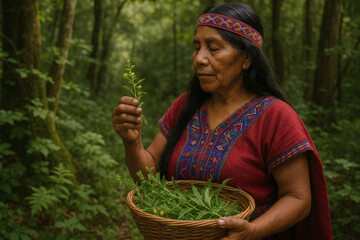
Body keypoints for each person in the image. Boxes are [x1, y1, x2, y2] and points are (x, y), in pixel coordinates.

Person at [112, 2, 332, 239]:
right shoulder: (185, 105)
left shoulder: (276, 117)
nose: (199, 58)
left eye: (213, 48)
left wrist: (253, 230)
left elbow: (298, 198)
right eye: (197, 48)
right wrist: (132, 141)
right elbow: (149, 181)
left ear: (246, 58)